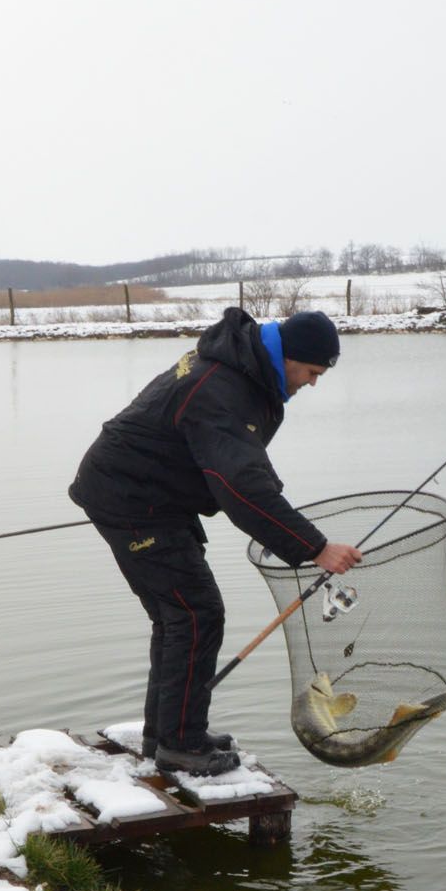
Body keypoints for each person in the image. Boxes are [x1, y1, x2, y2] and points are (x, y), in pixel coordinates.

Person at [69, 307, 363, 776]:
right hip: (133, 502)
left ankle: (165, 733)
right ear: (289, 357)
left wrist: (287, 521)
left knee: (176, 617)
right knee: (196, 612)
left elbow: (246, 465)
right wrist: (315, 547)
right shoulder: (224, 387)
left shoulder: (241, 369)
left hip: (146, 497)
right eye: (311, 372)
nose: (313, 383)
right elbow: (241, 486)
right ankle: (181, 744)